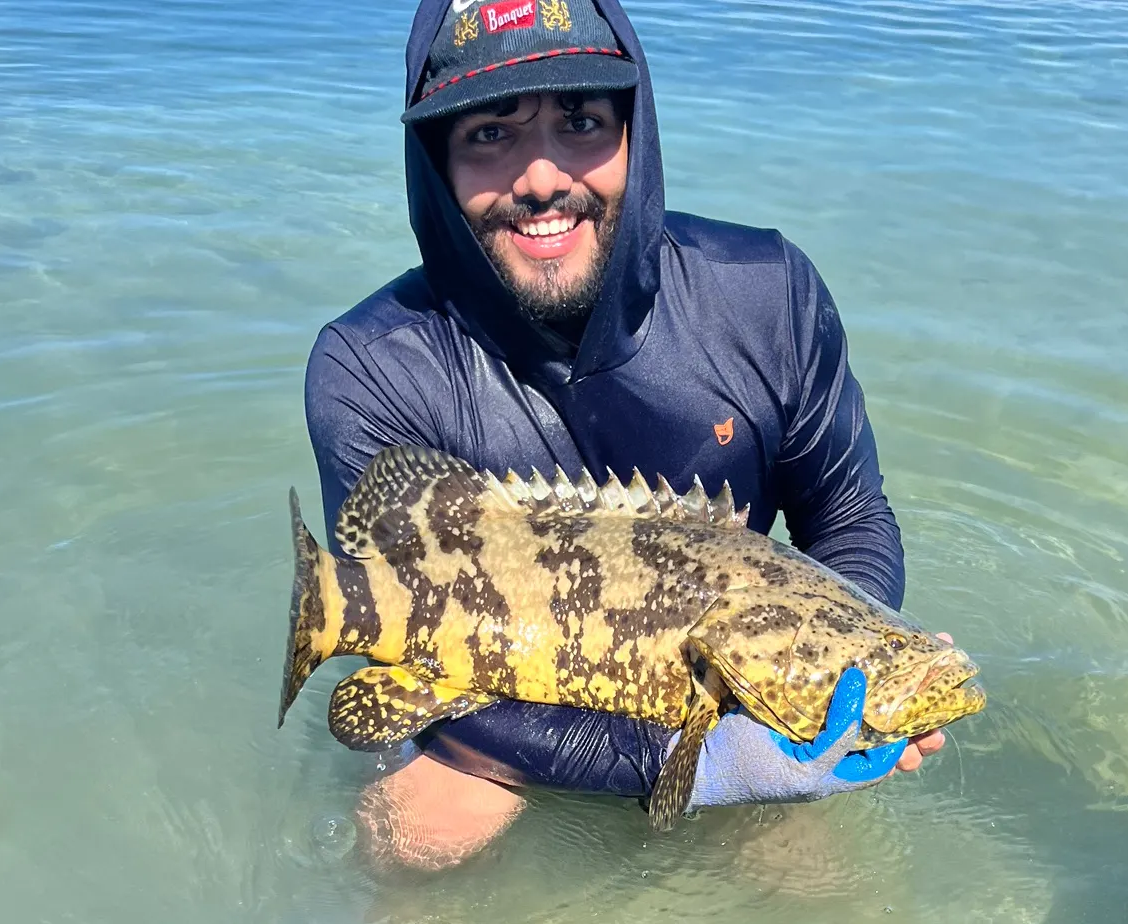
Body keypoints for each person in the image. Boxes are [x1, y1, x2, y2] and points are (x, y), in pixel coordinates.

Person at [303, 0, 944, 871]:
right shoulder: (373, 365)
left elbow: (852, 517)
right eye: (491, 133)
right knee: (413, 830)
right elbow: (396, 620)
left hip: (728, 693)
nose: (540, 176)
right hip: (503, 714)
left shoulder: (767, 295)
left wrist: (833, 692)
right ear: (436, 164)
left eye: (580, 120)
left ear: (633, 133)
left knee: (815, 869)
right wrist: (678, 768)